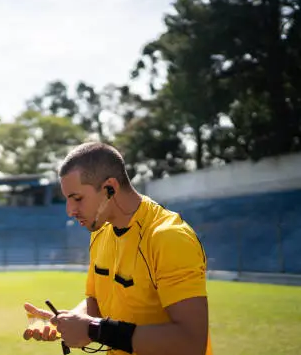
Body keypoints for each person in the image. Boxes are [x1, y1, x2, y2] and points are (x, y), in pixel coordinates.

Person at [24, 142, 212, 355]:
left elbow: (191, 342)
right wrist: (68, 322)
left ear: (109, 188)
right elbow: (96, 304)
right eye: (68, 200)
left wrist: (95, 330)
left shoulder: (169, 237)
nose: (70, 210)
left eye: (77, 198)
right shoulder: (99, 233)